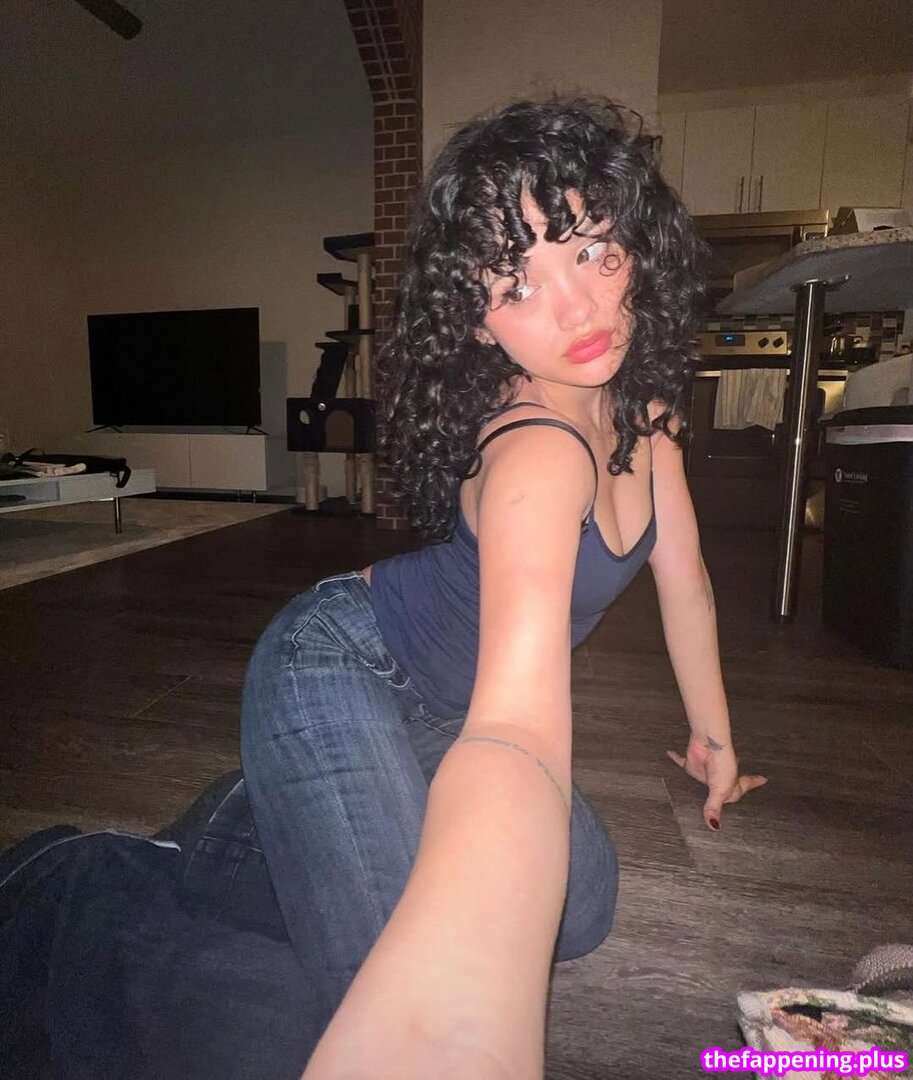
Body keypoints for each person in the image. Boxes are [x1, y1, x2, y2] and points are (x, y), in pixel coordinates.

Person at [0, 95, 766, 1080]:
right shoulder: (538, 457)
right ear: (478, 323)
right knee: (368, 1010)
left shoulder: (647, 414)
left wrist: (712, 738)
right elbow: (516, 729)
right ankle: (61, 893)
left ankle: (256, 818)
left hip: (442, 712)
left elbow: (685, 579)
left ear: (635, 241)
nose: (574, 308)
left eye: (588, 251)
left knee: (580, 910)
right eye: (515, 283)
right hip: (344, 666)